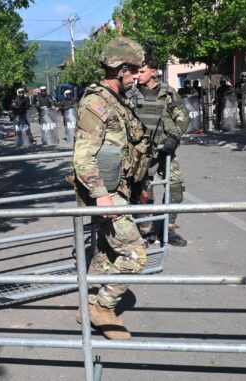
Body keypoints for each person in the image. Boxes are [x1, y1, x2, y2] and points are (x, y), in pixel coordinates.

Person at [72, 36, 147, 340]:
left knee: (105, 251)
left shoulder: (117, 101)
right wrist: (101, 196)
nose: (138, 76)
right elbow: (82, 155)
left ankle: (87, 305)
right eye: (134, 71)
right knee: (135, 254)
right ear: (120, 70)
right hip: (106, 192)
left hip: (120, 188)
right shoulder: (96, 103)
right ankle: (103, 307)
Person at [125, 55, 189, 247]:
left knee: (176, 187)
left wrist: (175, 136)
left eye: (142, 71)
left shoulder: (168, 93)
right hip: (141, 154)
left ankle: (167, 228)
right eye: (136, 71)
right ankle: (147, 231)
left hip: (164, 150)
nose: (137, 75)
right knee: (144, 194)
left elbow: (182, 117)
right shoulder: (131, 94)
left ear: (153, 72)